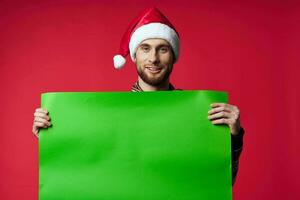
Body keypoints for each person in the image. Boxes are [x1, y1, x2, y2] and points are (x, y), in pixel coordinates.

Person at [32, 6, 244, 185]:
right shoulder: (108, 115)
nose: (153, 58)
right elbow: (83, 172)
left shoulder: (199, 114)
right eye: (145, 48)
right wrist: (52, 134)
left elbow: (219, 182)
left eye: (163, 49)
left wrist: (233, 138)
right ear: (134, 56)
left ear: (173, 56)